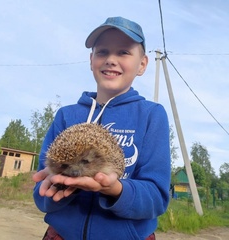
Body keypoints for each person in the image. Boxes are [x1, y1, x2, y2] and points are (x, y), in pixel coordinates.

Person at [33, 16, 171, 240]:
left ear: (142, 64)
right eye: (103, 52)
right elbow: (42, 194)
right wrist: (61, 188)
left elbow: (156, 198)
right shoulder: (66, 116)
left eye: (124, 52)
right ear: (91, 60)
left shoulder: (152, 115)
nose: (111, 60)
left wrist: (115, 190)